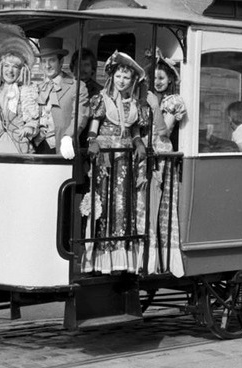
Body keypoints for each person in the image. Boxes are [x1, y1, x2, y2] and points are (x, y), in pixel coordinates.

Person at [79, 52, 148, 274]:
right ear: (112, 77)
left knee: (122, 202)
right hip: (106, 158)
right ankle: (100, 256)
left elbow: (134, 129)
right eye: (118, 76)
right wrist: (92, 141)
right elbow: (94, 125)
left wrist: (138, 142)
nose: (121, 81)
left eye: (126, 77)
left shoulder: (135, 104)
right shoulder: (102, 99)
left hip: (125, 159)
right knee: (104, 201)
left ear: (132, 80)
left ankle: (122, 257)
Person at [145, 57, 187, 276]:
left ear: (170, 79)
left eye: (161, 77)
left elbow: (164, 132)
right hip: (147, 155)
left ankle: (162, 259)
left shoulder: (172, 101)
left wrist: (154, 106)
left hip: (161, 156)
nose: (157, 81)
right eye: (154, 78)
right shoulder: (151, 99)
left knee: (160, 205)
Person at [32, 38, 89, 159]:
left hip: (62, 148)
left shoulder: (77, 87)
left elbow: (80, 116)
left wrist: (69, 136)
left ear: (61, 61)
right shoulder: (37, 88)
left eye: (52, 60)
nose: (47, 65)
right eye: (44, 61)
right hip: (38, 147)